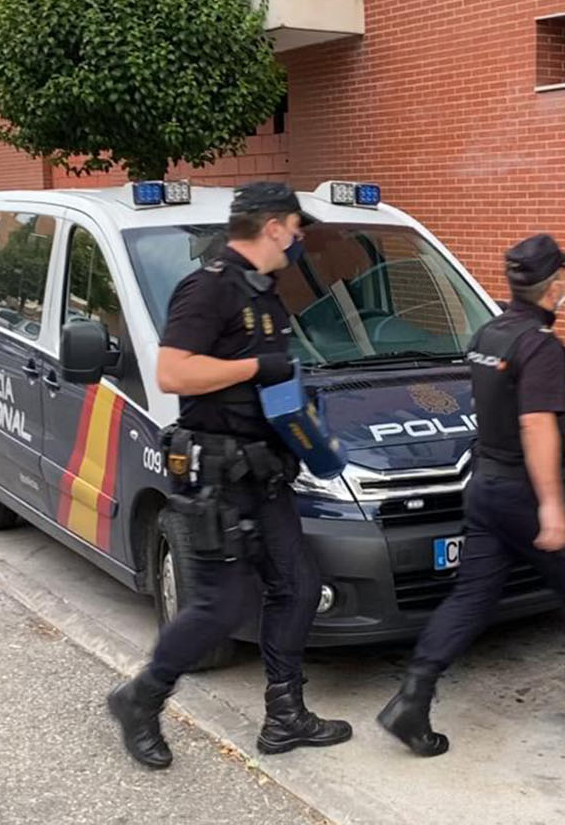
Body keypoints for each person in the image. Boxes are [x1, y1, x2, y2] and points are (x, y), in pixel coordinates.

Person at [377, 234, 565, 757]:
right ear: (554, 286)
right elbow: (536, 426)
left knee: (471, 596)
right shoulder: (541, 347)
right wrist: (552, 506)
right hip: (527, 494)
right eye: (564, 278)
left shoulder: (488, 335)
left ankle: (412, 698)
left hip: (485, 487)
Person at [107, 182, 351, 769]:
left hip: (265, 474)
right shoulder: (208, 287)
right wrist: (254, 365)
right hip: (217, 479)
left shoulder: (265, 294)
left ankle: (285, 716)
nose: (299, 241)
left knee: (296, 587)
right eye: (296, 229)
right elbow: (172, 373)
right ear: (272, 227)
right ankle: (139, 699)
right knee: (220, 606)